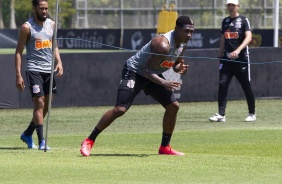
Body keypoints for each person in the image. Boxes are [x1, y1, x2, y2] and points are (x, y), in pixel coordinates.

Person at [80, 15, 194, 156]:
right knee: (120, 109)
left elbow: (175, 63)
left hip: (153, 74)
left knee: (173, 106)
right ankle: (89, 140)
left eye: (191, 31)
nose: (189, 34)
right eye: (186, 31)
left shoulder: (183, 42)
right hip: (135, 71)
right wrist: (164, 82)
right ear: (176, 29)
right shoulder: (162, 44)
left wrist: (178, 68)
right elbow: (147, 70)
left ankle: (165, 147)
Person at [15, 0, 63, 150]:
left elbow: (54, 45)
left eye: (46, 9)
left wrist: (59, 62)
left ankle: (28, 133)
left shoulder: (52, 24)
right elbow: (18, 52)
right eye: (41, 8)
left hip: (48, 70)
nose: (44, 11)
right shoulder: (26, 27)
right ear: (34, 8)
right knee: (39, 103)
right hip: (34, 69)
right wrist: (18, 75)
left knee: (47, 105)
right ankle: (42, 141)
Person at [209, 0, 256, 122]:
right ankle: (221, 114)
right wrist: (220, 55)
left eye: (233, 5)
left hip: (241, 60)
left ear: (238, 6)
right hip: (226, 60)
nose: (231, 7)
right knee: (222, 84)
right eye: (229, 5)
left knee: (246, 86)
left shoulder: (244, 20)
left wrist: (238, 51)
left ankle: (252, 113)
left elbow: (249, 37)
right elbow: (223, 39)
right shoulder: (225, 21)